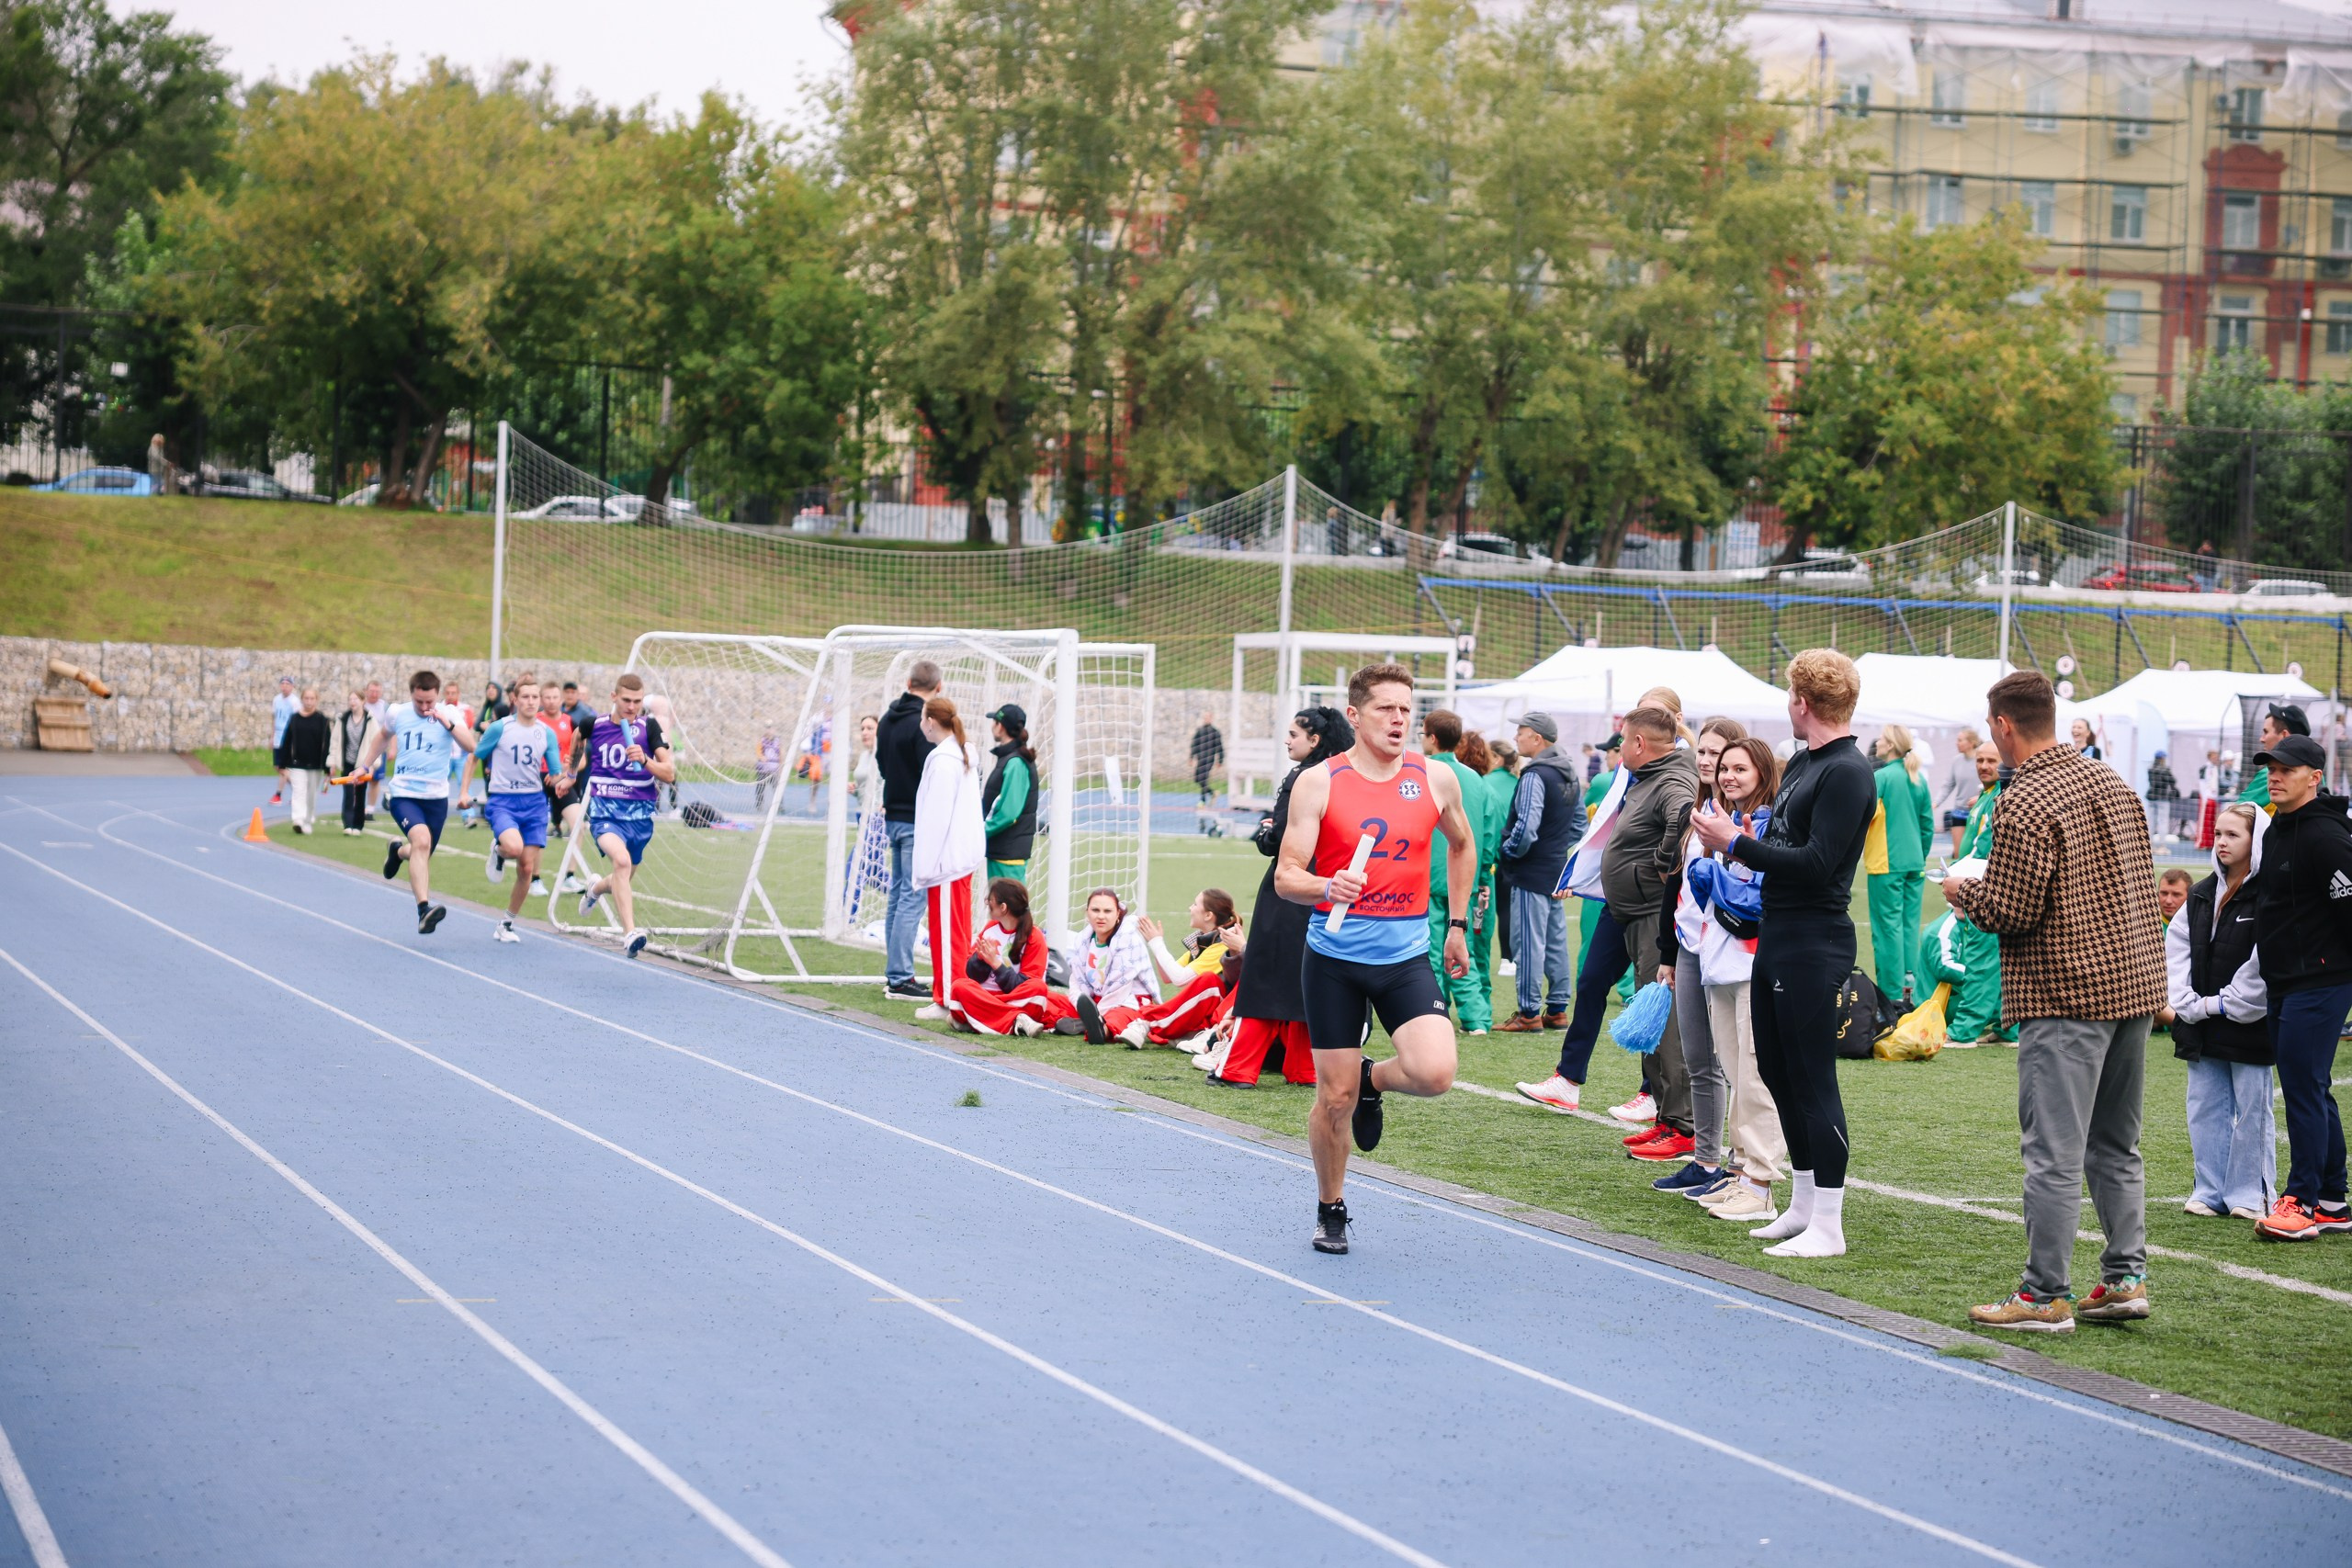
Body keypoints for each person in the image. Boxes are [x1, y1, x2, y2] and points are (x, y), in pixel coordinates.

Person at [1943, 671, 2165, 1328]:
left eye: (1991, 729)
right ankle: (2126, 1276)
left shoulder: (2026, 797)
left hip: (2067, 991)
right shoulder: (2111, 780)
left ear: (2005, 726)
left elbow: (2011, 907)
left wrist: (1962, 893)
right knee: (2117, 1145)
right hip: (2132, 984)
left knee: (2054, 1152)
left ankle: (2045, 1293)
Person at [1274, 662, 1476, 1256]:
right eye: (1386, 708)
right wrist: (1324, 886)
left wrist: (1458, 923)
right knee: (1330, 1099)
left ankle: (1371, 1077)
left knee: (1435, 1073)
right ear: (1357, 715)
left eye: (1406, 709)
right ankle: (1331, 1206)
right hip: (1334, 955)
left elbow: (1463, 845)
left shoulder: (1436, 778)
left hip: (1405, 953)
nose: (1399, 719)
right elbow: (1287, 876)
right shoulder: (1320, 782)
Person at [1690, 649, 1875, 1260]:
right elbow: (1780, 843)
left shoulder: (1847, 770)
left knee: (1812, 1079)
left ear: (1803, 700)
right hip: (1778, 934)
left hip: (1813, 941)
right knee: (1776, 1070)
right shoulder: (1802, 763)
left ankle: (1830, 1220)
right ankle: (1801, 1206)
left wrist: (1736, 841)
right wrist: (1737, 839)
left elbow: (1820, 863)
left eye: (1789, 696)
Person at [1515, 706, 1697, 1158]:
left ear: (1638, 743)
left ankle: (1682, 1125)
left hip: (1650, 912)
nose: (1617, 751)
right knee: (1643, 1011)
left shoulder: (1672, 779)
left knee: (1663, 1020)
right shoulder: (1650, 774)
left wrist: (1656, 870)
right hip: (1629, 908)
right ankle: (1664, 1117)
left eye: (1623, 740)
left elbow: (1684, 821)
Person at [2244, 732, 2352, 1241]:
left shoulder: (2326, 836)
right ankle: (2332, 1199)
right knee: (2311, 1086)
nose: (2275, 774)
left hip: (2321, 980)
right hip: (2287, 981)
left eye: (2286, 768)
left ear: (2315, 776)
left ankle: (2301, 1202)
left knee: (2303, 1090)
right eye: (2271, 766)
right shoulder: (2277, 828)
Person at [1677, 733, 1786, 1224]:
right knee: (1736, 1074)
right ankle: (1741, 1173)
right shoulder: (1722, 823)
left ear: (1762, 773)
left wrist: (1710, 870)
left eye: (1740, 768)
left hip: (1751, 966)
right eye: (1724, 768)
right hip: (1718, 964)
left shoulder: (1763, 827)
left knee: (1755, 1076)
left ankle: (1761, 1180)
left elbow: (1752, 900)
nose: (1728, 776)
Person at [1216, 708, 1351, 1088]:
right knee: (1307, 977)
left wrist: (1264, 831)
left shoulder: (1303, 779)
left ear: (1315, 740)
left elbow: (1276, 840)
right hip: (1328, 887)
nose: (1287, 740)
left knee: (1264, 974)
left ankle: (1238, 1068)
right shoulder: (1344, 775)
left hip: (1290, 886)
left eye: (1294, 734)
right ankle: (1305, 1069)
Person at [1649, 717, 1749, 1198]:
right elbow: (1677, 884)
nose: (1710, 763)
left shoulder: (1747, 817)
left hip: (1730, 950)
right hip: (1691, 947)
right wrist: (1668, 952)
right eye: (1704, 753)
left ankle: (1741, 1167)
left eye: (1720, 755)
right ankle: (1706, 1160)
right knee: (1698, 1059)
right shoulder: (1698, 809)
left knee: (1735, 1061)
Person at [2166, 803, 2276, 1222]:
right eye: (2219, 833)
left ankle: (2251, 1193)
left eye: (2234, 834)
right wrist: (2187, 1002)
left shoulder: (2269, 894)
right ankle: (2209, 1189)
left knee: (2252, 1109)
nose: (2223, 841)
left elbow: (2264, 960)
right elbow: (2175, 949)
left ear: (2257, 841)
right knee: (2205, 1105)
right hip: (2198, 1023)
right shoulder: (2199, 892)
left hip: (2249, 1022)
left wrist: (2222, 1002)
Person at [343, 670, 480, 935]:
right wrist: (364, 766)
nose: (425, 707)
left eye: (430, 702)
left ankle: (397, 852)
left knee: (420, 851)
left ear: (437, 696)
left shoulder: (448, 713)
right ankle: (423, 910)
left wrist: (445, 723)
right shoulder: (398, 713)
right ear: (412, 695)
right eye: (420, 702)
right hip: (404, 794)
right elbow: (382, 736)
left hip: (436, 798)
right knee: (422, 841)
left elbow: (471, 745)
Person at [575, 673, 678, 959]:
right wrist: (570, 774)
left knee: (622, 875)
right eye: (626, 701)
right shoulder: (594, 724)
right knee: (620, 861)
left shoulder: (649, 728)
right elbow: (576, 738)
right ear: (614, 697)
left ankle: (595, 888)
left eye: (636, 701)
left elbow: (669, 773)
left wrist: (645, 759)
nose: (631, 707)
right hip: (605, 811)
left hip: (640, 817)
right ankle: (630, 932)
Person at [1494, 713, 1581, 1038]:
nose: (1516, 738)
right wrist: (1556, 850)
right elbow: (1578, 828)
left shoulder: (1534, 775)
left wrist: (1509, 852)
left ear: (1537, 738)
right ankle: (1558, 1010)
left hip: (1531, 871)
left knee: (1528, 943)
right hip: (1555, 868)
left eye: (1521, 732)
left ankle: (1529, 1013)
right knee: (1556, 941)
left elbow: (1526, 829)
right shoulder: (1570, 772)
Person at [1927, 742, 2011, 1046]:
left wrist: (1960, 881)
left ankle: (1964, 1030)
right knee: (1998, 959)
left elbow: (1985, 852)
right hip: (1977, 884)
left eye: (1992, 760)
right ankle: (2008, 1027)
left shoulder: (2001, 797)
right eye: (1980, 760)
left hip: (1983, 889)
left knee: (1981, 959)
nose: (1984, 765)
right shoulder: (1986, 796)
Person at [1420, 710, 1498, 1034]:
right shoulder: (1478, 781)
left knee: (1430, 954)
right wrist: (1482, 876)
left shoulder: (1423, 774)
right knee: (1461, 947)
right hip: (1464, 879)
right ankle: (1476, 1017)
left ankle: (1433, 1015)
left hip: (1426, 876)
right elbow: (1491, 831)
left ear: (1432, 738)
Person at [911, 694, 987, 1020]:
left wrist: (926, 865)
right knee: (950, 932)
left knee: (948, 935)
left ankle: (949, 1000)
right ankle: (948, 994)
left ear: (930, 721)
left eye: (922, 718)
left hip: (946, 860)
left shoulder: (946, 761)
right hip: (954, 859)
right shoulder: (957, 754)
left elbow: (936, 818)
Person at [474, 673, 562, 943]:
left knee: (526, 868)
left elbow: (555, 773)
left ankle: (506, 923)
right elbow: (474, 757)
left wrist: (563, 777)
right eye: (526, 697)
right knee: (513, 848)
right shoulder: (500, 728)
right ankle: (499, 851)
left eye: (535, 697)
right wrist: (466, 791)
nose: (532, 701)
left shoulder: (546, 733)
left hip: (534, 803)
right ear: (515, 699)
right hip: (504, 801)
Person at [876, 661, 944, 1000]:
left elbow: (882, 764)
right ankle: (900, 977)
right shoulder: (923, 724)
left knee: (899, 894)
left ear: (908, 682)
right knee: (912, 898)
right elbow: (930, 770)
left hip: (894, 816)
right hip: (917, 819)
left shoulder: (887, 719)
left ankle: (895, 972)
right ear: (939, 687)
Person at [1110, 890, 1241, 1047]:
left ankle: (1147, 1022)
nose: (1190, 908)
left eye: (1195, 904)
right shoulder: (1205, 941)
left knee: (1209, 981)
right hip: (1207, 1011)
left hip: (1224, 1012)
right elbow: (1167, 977)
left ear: (1208, 915)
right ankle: (1157, 1024)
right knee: (1206, 981)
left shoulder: (1221, 944)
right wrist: (1155, 942)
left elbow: (1179, 978)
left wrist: (1156, 942)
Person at [1865, 724, 1935, 1006]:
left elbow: (1865, 817)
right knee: (1908, 926)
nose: (1878, 744)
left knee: (1887, 929)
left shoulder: (1881, 777)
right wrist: (1918, 853)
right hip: (1913, 862)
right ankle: (1911, 989)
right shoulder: (1917, 778)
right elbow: (1927, 824)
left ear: (1891, 745)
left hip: (1886, 862)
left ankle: (1892, 993)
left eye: (1881, 739)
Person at [944, 878, 1057, 1035]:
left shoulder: (1034, 937)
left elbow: (1024, 985)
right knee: (959, 986)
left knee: (1038, 989)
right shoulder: (990, 928)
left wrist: (996, 964)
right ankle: (1017, 1020)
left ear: (1003, 907)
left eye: (990, 901)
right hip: (985, 997)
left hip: (1013, 999)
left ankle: (976, 1021)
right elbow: (972, 974)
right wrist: (980, 959)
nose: (987, 904)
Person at [1453, 729, 1507, 1031]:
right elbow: (1491, 839)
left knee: (1442, 945)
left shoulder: (1445, 782)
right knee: (1478, 944)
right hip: (1482, 882)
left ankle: (1437, 1010)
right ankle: (1479, 1013)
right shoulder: (1487, 790)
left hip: (1449, 878)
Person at [1061, 888, 1160, 1041]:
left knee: (1119, 1017)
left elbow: (1118, 991)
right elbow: (1076, 980)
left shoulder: (1128, 941)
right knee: (1053, 1000)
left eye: (1107, 911)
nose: (1101, 916)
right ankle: (1086, 1022)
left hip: (1128, 1001)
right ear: (1087, 912)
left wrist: (1096, 1013)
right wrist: (1082, 1007)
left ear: (1117, 915)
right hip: (1097, 999)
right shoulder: (1083, 939)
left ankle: (1102, 1030)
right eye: (1095, 910)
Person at [1481, 737, 1524, 976]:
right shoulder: (1519, 782)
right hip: (1514, 857)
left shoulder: (1484, 783)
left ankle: (1480, 960)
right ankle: (1509, 959)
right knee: (1508, 909)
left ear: (1496, 758)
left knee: (1483, 910)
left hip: (1488, 858)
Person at [981, 704, 1038, 883]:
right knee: (1001, 909)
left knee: (1010, 909)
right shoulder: (1011, 759)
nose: (992, 726)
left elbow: (1009, 812)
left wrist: (981, 832)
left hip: (1008, 853)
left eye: (994, 721)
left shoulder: (1015, 763)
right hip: (1003, 850)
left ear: (1001, 726)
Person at [845, 714, 889, 931]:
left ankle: (847, 922)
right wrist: (854, 789)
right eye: (862, 728)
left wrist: (888, 802)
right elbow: (866, 788)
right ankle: (910, 896)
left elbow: (897, 779)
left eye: (870, 728)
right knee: (874, 874)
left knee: (853, 868)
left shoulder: (887, 753)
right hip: (862, 816)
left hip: (879, 819)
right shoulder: (864, 756)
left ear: (879, 731)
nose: (864, 732)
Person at [274, 687, 334, 834]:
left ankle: (308, 820)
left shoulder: (322, 720)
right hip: (297, 764)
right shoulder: (294, 719)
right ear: (302, 699)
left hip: (316, 764)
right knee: (298, 791)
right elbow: (287, 741)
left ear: (316, 700)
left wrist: (328, 766)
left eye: (312, 698)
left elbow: (328, 744)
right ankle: (298, 820)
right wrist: (283, 763)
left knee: (311, 794)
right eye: (306, 698)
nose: (309, 701)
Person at [2237, 702, 2310, 810]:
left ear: (2285, 736)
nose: (2261, 739)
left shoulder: (2268, 775)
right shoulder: (2314, 772)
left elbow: (2235, 813)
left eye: (2266, 732)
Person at [336, 692, 375, 835]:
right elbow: (336, 740)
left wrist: (372, 765)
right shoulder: (343, 718)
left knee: (360, 793)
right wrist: (333, 762)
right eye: (350, 699)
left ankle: (358, 825)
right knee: (348, 793)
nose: (352, 702)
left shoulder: (370, 719)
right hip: (347, 761)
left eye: (356, 699)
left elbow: (375, 742)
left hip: (363, 763)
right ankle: (347, 824)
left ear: (363, 701)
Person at [269, 674, 298, 805]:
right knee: (279, 767)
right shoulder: (276, 700)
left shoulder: (294, 702)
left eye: (287, 684)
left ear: (292, 686)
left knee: (283, 768)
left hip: (288, 738)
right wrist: (272, 736)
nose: (285, 686)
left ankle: (279, 794)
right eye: (283, 684)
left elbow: (297, 721)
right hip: (278, 737)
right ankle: (295, 793)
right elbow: (275, 719)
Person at [1190, 711, 1225, 807]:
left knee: (1204, 778)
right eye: (1205, 717)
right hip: (1200, 759)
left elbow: (1220, 747)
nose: (1206, 719)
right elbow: (1194, 745)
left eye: (1208, 717)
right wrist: (1191, 757)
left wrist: (1220, 760)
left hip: (1209, 759)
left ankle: (1202, 801)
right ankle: (1212, 793)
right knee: (1197, 779)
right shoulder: (1200, 731)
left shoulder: (1215, 732)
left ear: (1211, 719)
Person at [2145, 750, 2180, 836]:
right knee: (2163, 821)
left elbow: (2152, 782)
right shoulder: (2165, 769)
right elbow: (2173, 781)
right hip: (2162, 798)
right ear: (2162, 758)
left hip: (2152, 797)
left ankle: (2149, 844)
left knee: (2151, 821)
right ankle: (2161, 845)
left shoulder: (2150, 769)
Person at [752, 726, 782, 818]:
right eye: (768, 728)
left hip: (773, 768)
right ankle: (759, 804)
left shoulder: (777, 741)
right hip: (763, 768)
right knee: (761, 786)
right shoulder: (762, 740)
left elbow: (780, 753)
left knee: (776, 787)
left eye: (771, 728)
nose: (770, 730)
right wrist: (762, 757)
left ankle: (779, 804)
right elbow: (758, 752)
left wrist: (780, 765)